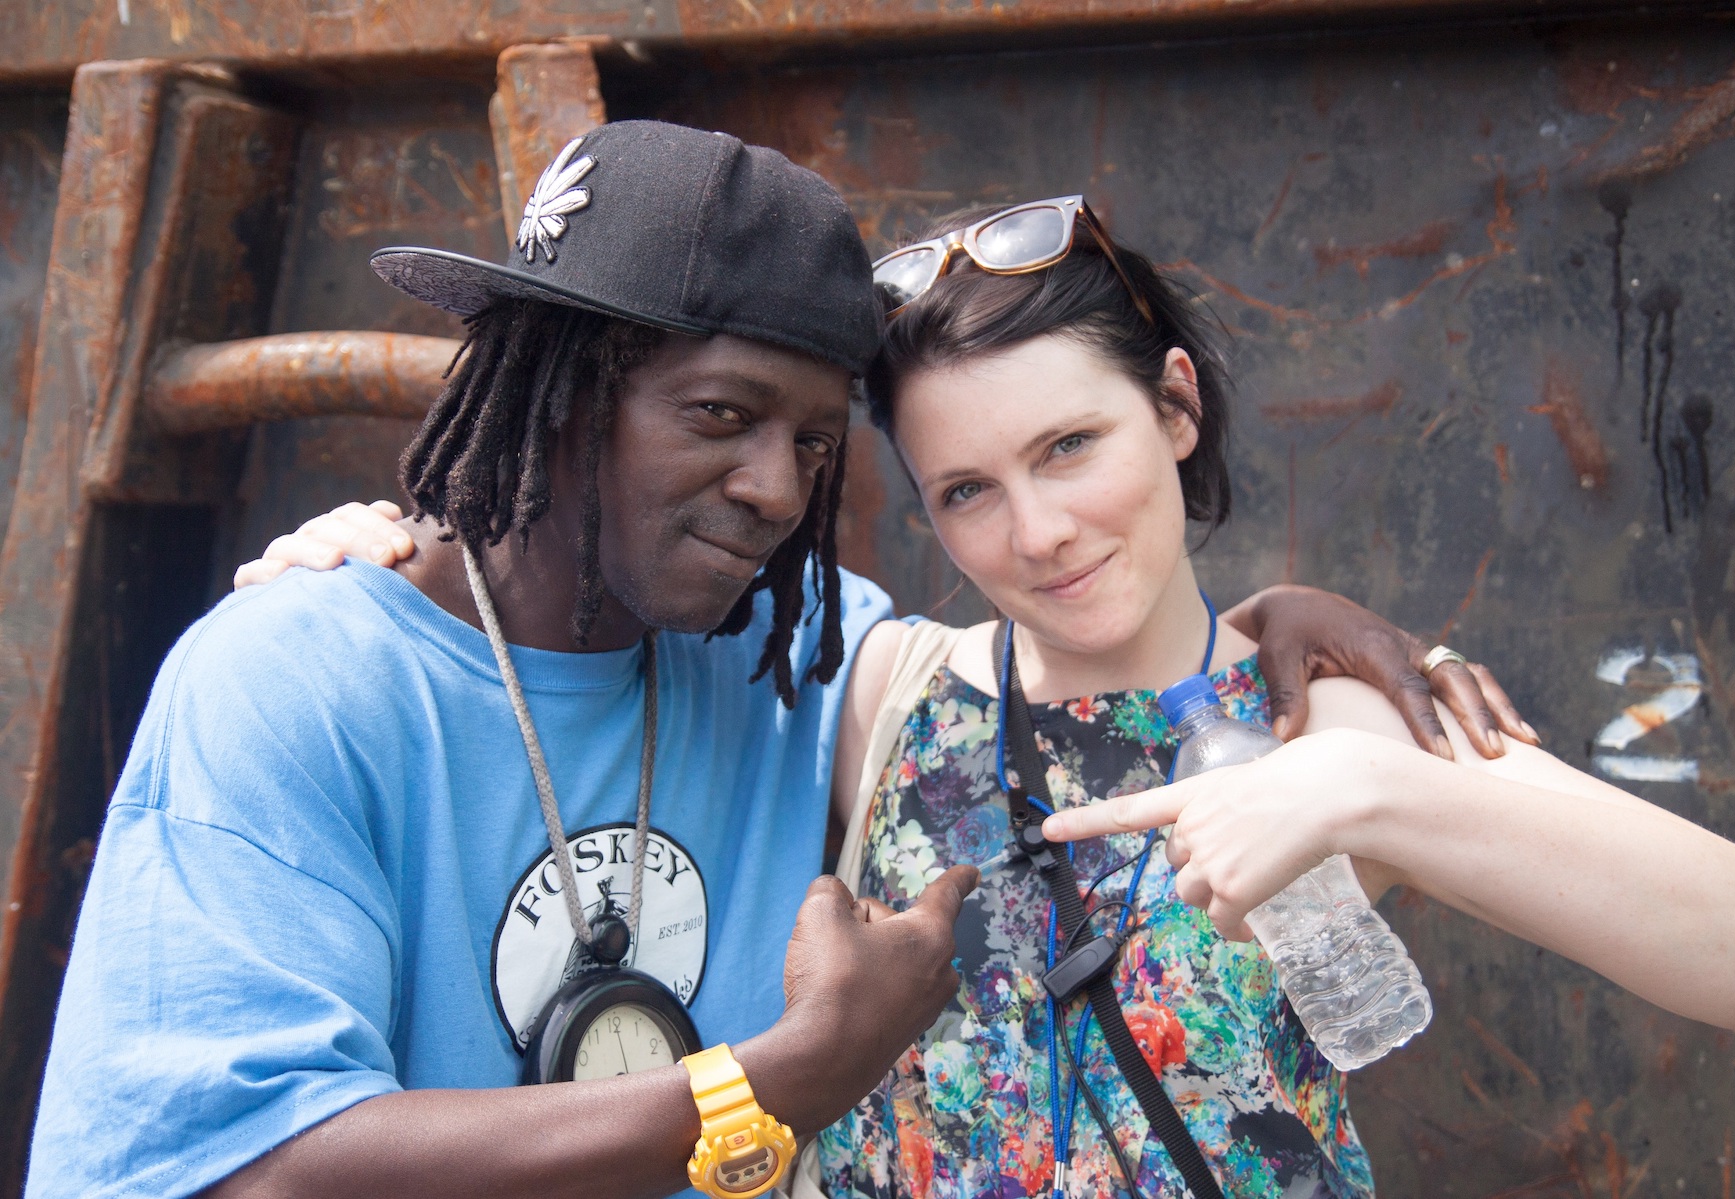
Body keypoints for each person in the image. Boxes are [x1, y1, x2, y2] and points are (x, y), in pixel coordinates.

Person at [28, 127, 1496, 1199]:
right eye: (720, 414)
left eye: (809, 440)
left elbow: (1054, 668)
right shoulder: (295, 679)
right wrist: (778, 1081)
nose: (775, 491)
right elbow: (250, 1171)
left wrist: (1265, 619)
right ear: (553, 394)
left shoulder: (788, 654)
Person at [254, 193, 1735, 1199]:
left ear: (1175, 407)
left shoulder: (1330, 714)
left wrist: (1363, 792)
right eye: (970, 491)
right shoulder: (872, 689)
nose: (1040, 532)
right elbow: (553, 601)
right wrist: (389, 547)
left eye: (1072, 449)